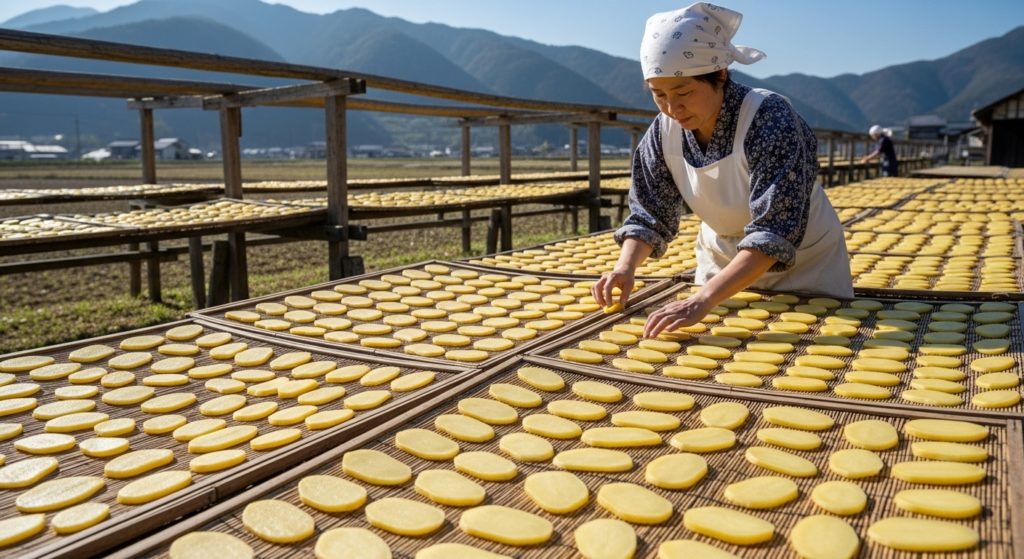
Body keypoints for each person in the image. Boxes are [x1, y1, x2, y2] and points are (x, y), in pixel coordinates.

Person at [593, 2, 853, 339]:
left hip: (804, 265)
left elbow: (774, 232)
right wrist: (624, 268)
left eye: (684, 92)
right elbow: (648, 215)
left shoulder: (769, 119)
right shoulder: (662, 132)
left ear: (720, 75)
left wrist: (702, 299)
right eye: (659, 95)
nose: (673, 108)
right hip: (721, 260)